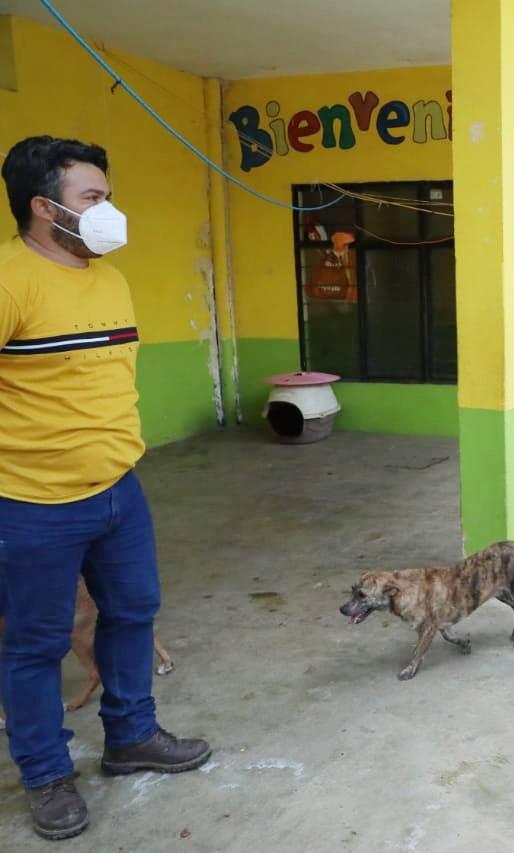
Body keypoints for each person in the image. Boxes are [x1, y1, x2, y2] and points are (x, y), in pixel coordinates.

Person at [0, 136, 210, 842]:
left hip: (120, 489)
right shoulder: (9, 280)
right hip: (32, 503)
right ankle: (46, 774)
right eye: (92, 197)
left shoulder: (111, 279)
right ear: (44, 206)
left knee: (132, 612)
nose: (108, 210)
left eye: (107, 196)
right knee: (35, 644)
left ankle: (131, 737)